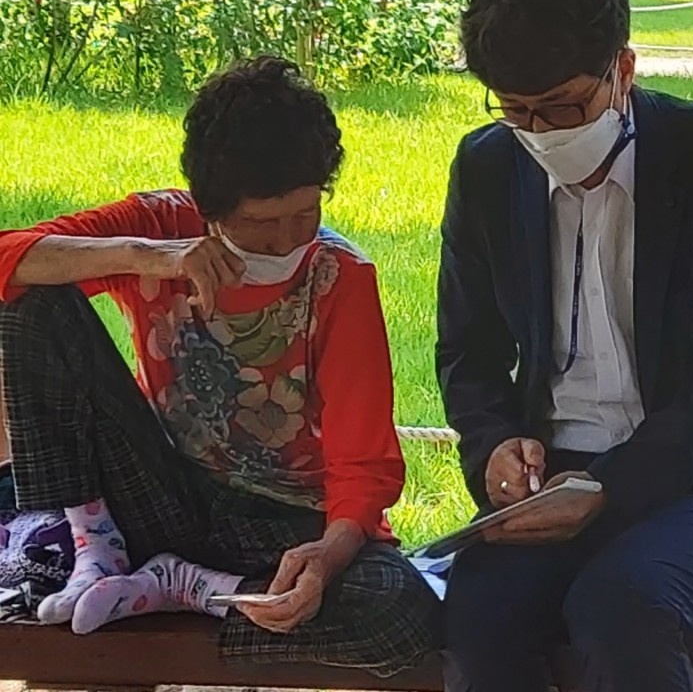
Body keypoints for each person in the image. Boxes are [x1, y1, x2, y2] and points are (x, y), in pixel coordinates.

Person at [436, 0, 693, 692]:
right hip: (551, 475)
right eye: (516, 111)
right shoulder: (486, 168)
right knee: (479, 610)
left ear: (624, 69)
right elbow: (467, 349)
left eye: (565, 107)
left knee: (624, 606)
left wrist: (615, 485)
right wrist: (495, 446)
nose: (543, 132)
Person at [0, 57, 440, 674]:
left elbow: (362, 465)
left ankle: (190, 589)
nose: (287, 240)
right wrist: (149, 257)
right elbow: (10, 256)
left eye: (305, 213)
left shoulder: (338, 277)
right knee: (32, 300)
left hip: (286, 524)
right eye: (260, 223)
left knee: (398, 611)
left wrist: (328, 555)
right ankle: (93, 547)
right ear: (209, 208)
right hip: (160, 496)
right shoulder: (158, 228)